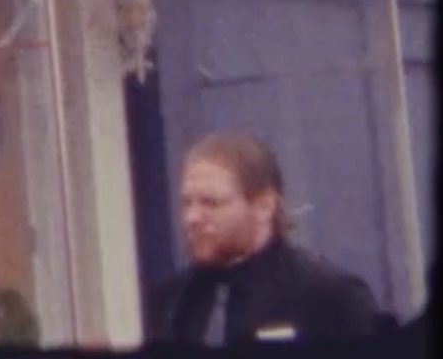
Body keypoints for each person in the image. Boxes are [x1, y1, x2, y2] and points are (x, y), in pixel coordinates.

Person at [144, 131, 380, 344]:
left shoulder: (328, 295)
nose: (192, 218)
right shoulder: (172, 302)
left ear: (264, 206)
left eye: (211, 203)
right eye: (187, 203)